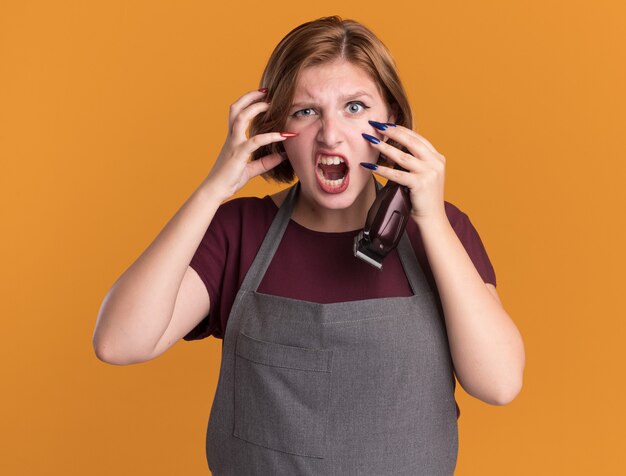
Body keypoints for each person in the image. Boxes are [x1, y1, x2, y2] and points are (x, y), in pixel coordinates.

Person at [93, 16, 525, 475]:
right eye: (306, 111)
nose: (331, 134)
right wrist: (213, 188)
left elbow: (498, 384)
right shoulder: (238, 232)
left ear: (391, 123)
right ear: (275, 128)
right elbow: (119, 343)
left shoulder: (439, 230)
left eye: (355, 107)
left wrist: (432, 218)